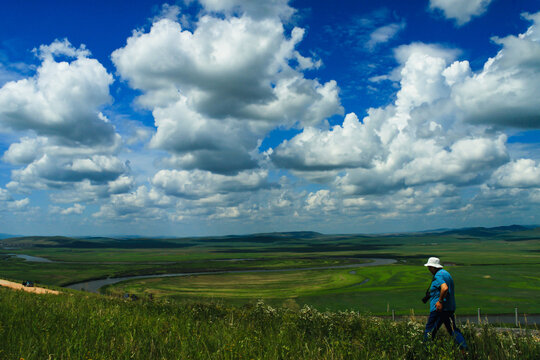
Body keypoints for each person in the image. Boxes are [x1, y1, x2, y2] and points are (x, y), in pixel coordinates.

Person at [423, 257, 467, 350]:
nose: (429, 269)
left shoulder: (438, 275)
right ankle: (464, 349)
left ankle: (426, 351)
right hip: (449, 307)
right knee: (452, 330)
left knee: (429, 331)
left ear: (434, 267)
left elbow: (444, 288)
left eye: (430, 267)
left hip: (439, 309)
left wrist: (439, 301)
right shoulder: (447, 274)